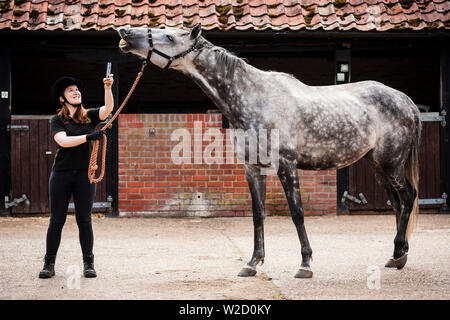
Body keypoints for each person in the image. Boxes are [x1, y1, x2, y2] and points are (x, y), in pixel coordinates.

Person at [39, 73, 114, 279]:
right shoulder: (58, 120)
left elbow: (108, 110)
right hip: (61, 175)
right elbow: (63, 141)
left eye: (77, 89)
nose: (76, 92)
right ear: (62, 98)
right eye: (71, 90)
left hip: (84, 176)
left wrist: (108, 88)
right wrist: (89, 136)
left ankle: (89, 263)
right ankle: (49, 264)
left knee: (84, 220)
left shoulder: (88, 116)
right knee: (57, 220)